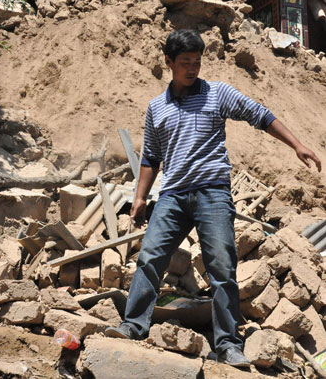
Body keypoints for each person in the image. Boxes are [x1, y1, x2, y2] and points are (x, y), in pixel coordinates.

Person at [105, 29, 321, 367]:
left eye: (197, 62)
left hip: (212, 194)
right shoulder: (156, 108)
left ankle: (228, 345)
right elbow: (150, 157)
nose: (192, 69)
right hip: (172, 196)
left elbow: (259, 114)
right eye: (185, 63)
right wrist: (140, 197)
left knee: (221, 265)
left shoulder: (217, 94)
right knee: (150, 258)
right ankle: (133, 326)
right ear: (169, 63)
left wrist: (296, 144)